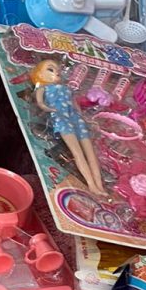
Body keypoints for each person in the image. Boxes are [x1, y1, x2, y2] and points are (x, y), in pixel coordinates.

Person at [30, 59, 105, 195]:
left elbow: (75, 106)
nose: (57, 72)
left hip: (76, 118)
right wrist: (50, 109)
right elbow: (41, 103)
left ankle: (99, 185)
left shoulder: (66, 89)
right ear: (39, 74)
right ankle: (91, 185)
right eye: (50, 69)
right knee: (78, 153)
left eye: (57, 69)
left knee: (91, 153)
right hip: (61, 117)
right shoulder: (42, 88)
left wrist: (85, 118)